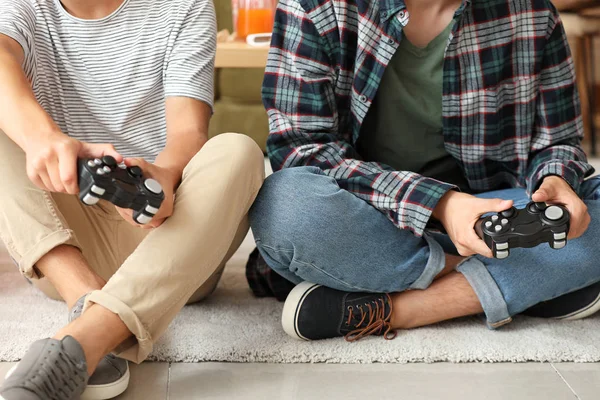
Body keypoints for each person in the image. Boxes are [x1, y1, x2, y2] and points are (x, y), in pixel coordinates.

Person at [248, 0, 600, 342]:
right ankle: (536, 278)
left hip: (492, 214)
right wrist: (442, 205)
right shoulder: (315, 6)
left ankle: (403, 308)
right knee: (285, 205)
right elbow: (302, 150)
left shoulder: (533, 11)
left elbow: (557, 141)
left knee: (589, 204)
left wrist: (555, 179)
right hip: (371, 221)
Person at [0, 0, 264, 399]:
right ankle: (84, 297)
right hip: (70, 246)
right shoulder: (23, 6)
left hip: (172, 241)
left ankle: (89, 335)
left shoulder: (185, 6)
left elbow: (188, 133)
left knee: (239, 151)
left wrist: (164, 175)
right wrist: (45, 141)